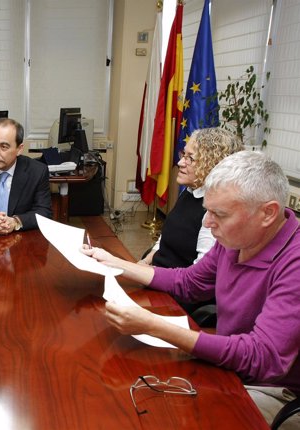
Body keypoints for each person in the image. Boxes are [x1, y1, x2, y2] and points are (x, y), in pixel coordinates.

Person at [82, 151, 300, 427]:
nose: (207, 223)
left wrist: (154, 325)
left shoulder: (294, 261)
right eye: (208, 210)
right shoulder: (237, 237)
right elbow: (189, 283)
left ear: (267, 213)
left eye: (219, 214)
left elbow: (262, 357)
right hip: (230, 364)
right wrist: (116, 263)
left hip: (270, 387)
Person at [141, 128, 241, 268]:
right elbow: (164, 241)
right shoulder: (190, 191)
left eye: (190, 158)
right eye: (183, 154)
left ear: (212, 164)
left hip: (172, 285)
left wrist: (150, 273)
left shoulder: (214, 210)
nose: (180, 162)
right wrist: (143, 263)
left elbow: (199, 273)